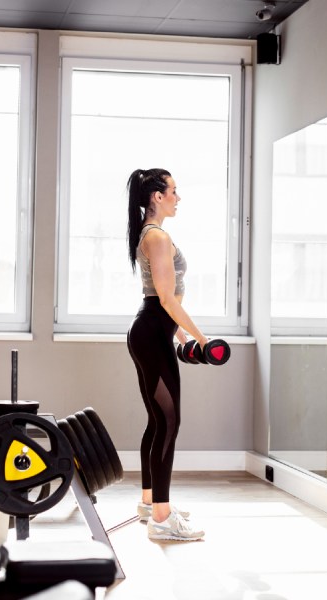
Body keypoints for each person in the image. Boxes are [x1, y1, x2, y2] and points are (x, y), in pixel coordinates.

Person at [125, 168, 206, 541]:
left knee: (158, 422)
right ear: (156, 196)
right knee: (168, 424)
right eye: (173, 190)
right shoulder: (157, 236)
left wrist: (176, 337)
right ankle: (161, 519)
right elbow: (166, 298)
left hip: (154, 333)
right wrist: (200, 337)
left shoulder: (150, 234)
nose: (178, 197)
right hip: (152, 332)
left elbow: (162, 304)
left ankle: (150, 503)